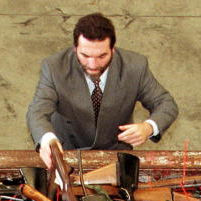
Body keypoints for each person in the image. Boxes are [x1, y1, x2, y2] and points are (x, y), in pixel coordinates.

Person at [26, 13, 178, 169]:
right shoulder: (54, 67)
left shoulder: (135, 66)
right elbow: (37, 111)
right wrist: (47, 139)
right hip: (66, 155)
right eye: (85, 55)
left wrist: (148, 127)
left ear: (113, 49)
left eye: (101, 56)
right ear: (75, 48)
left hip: (116, 158)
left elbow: (166, 104)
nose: (92, 64)